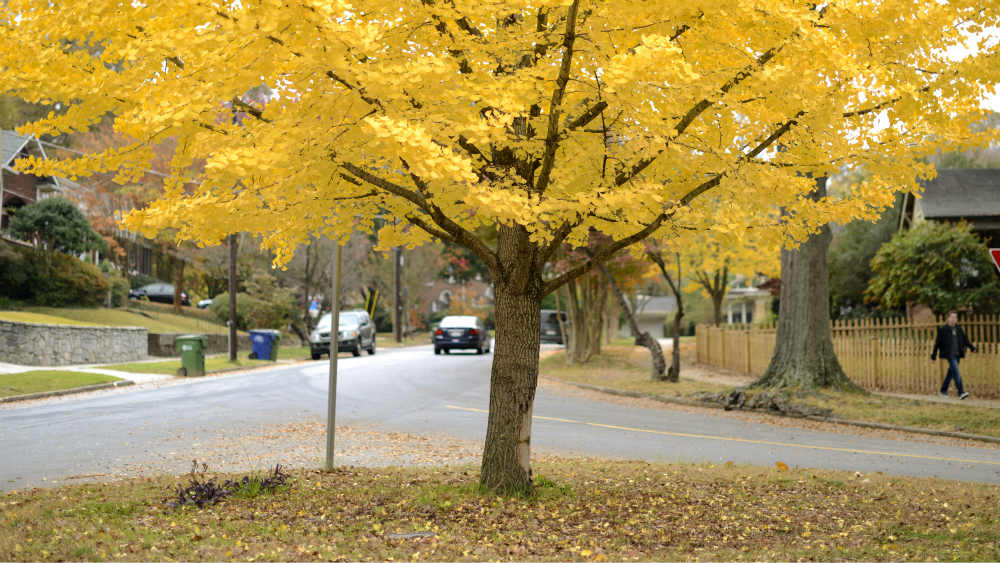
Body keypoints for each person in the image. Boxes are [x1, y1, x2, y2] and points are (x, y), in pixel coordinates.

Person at [931, 311, 976, 399]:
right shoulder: (943, 330)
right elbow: (937, 344)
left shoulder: (959, 329)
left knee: (951, 373)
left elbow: (965, 340)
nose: (953, 319)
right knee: (956, 372)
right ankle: (961, 392)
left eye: (955, 317)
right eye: (952, 317)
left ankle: (943, 391)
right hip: (949, 354)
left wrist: (972, 348)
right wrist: (933, 356)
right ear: (948, 318)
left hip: (957, 354)